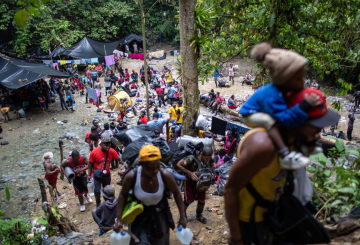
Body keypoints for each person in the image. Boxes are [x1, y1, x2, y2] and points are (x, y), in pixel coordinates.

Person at [224, 87, 340, 245]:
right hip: (250, 222)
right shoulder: (263, 146)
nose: (320, 132)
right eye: (315, 125)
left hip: (273, 214)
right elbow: (231, 189)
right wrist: (236, 238)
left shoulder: (293, 141)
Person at [239, 42, 321, 170]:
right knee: (270, 121)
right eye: (298, 79)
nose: (303, 82)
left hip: (268, 110)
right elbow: (284, 118)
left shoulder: (285, 91)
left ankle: (304, 143)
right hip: (251, 113)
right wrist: (304, 106)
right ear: (284, 80)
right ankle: (284, 154)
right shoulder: (273, 94)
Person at [113, 145, 187, 244]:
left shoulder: (165, 175)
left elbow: (177, 193)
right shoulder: (131, 177)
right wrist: (118, 219)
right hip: (139, 217)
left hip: (160, 215)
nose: (155, 171)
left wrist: (182, 216)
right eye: (150, 168)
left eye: (157, 166)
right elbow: (123, 195)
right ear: (141, 165)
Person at [177, 147, 215, 224]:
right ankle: (183, 215)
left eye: (209, 158)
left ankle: (199, 214)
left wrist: (210, 172)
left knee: (202, 199)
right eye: (206, 158)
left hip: (202, 182)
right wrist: (190, 173)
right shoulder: (191, 158)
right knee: (188, 199)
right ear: (201, 154)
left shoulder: (210, 158)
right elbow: (178, 164)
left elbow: (213, 165)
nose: (207, 160)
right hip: (190, 181)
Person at [88, 136, 123, 207]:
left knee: (107, 190)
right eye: (105, 145)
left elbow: (119, 159)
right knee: (97, 190)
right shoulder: (94, 152)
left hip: (106, 174)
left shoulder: (112, 151)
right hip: (97, 174)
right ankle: (98, 202)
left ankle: (107, 203)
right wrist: (89, 175)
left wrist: (125, 164)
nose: (108, 147)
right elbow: (90, 163)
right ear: (101, 145)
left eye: (109, 145)